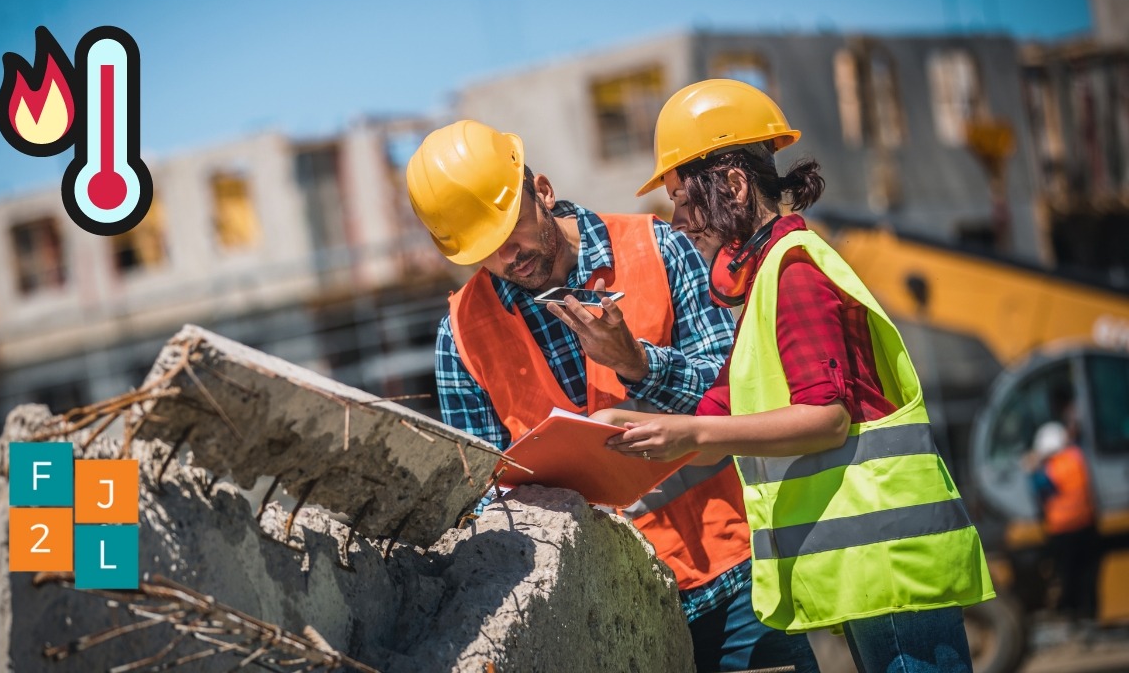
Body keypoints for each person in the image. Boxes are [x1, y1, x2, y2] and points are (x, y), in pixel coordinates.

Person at [596, 79, 995, 673]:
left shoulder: (794, 271)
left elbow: (826, 418)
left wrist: (694, 434)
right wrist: (613, 429)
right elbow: (717, 422)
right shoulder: (766, 279)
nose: (677, 220)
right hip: (870, 567)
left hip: (891, 563)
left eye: (683, 198)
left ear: (734, 185)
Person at [407, 119, 819, 672]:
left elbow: (741, 398)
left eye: (512, 229)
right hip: (605, 621)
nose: (508, 255)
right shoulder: (460, 336)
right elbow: (480, 498)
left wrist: (638, 364)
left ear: (542, 191)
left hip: (734, 583)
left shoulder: (658, 246)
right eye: (485, 249)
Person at [1026, 388, 1100, 625]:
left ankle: (1073, 616)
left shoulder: (1049, 468)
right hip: (1086, 524)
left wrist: (1032, 466)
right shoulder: (1076, 457)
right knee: (1088, 575)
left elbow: (1040, 489)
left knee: (1069, 576)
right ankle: (1090, 615)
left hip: (1063, 531)